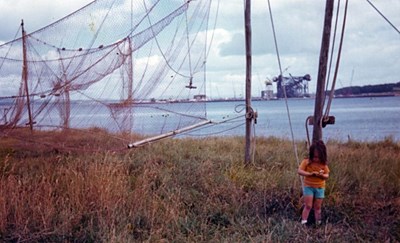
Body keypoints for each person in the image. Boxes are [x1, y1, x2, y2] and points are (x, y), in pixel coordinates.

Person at [297, 140, 330, 225]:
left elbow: (327, 175)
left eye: (318, 157)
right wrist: (310, 174)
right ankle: (303, 222)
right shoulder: (306, 162)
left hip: (320, 187)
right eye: (314, 157)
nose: (316, 159)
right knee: (308, 205)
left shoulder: (323, 164)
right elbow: (300, 171)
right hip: (309, 186)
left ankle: (318, 223)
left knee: (318, 206)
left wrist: (321, 176)